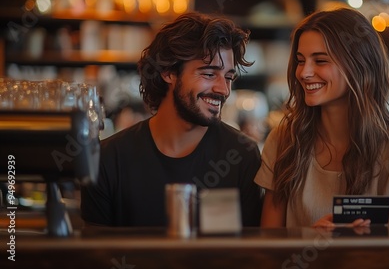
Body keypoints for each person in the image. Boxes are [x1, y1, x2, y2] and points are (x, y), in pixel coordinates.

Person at [254, 8, 389, 228]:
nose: (303, 73)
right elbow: (269, 250)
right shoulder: (284, 141)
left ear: (358, 65)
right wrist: (311, 245)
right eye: (300, 60)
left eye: (320, 61)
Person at [81, 12, 263, 227]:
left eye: (229, 77)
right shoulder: (108, 159)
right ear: (168, 72)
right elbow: (95, 256)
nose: (223, 89)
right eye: (208, 74)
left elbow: (247, 253)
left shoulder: (241, 156)